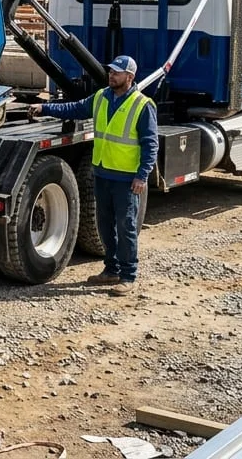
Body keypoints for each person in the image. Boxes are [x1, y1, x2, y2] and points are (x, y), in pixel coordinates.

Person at [27, 55, 157, 296]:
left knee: (126, 227)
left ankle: (128, 276)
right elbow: (74, 108)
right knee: (104, 226)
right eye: (110, 71)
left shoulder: (142, 105)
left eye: (117, 73)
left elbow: (151, 144)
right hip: (103, 173)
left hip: (127, 179)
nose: (111, 75)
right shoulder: (101, 97)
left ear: (130, 77)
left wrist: (142, 175)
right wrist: (45, 107)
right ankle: (111, 270)